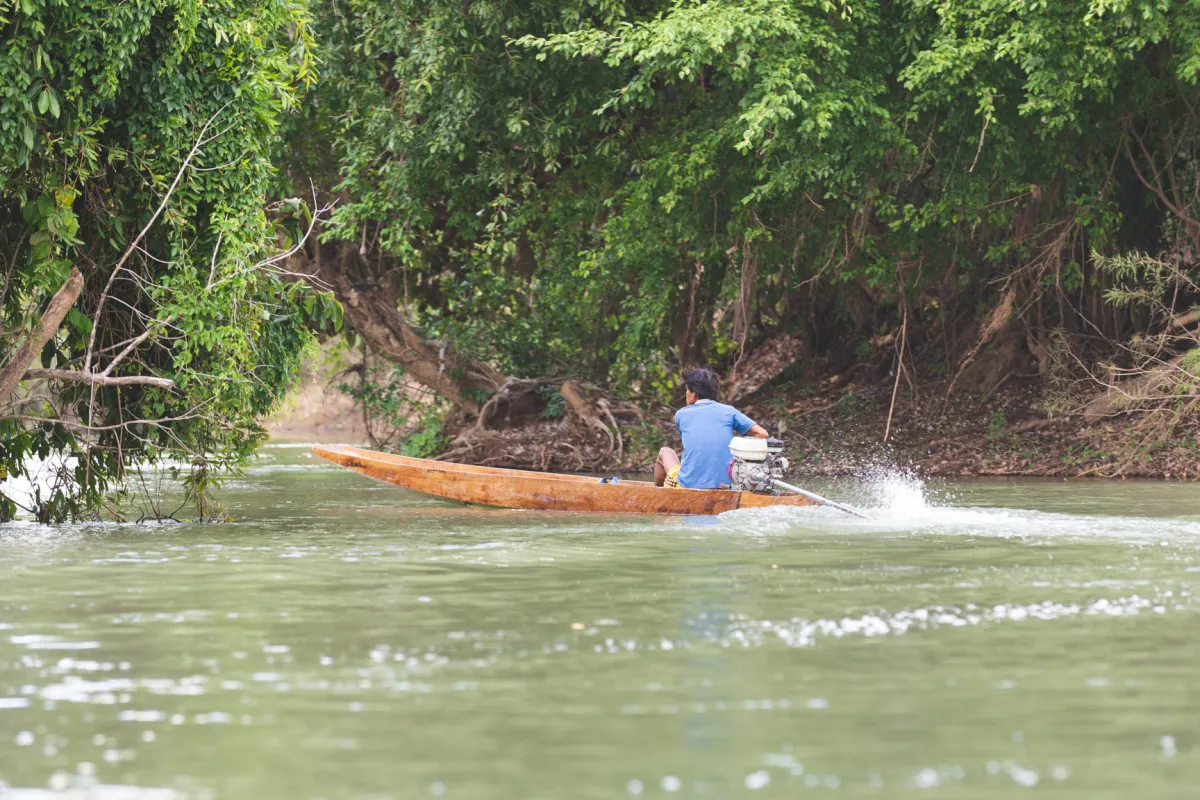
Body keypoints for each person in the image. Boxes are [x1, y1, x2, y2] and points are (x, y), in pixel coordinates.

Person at [654, 367, 770, 489]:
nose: (686, 394)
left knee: (665, 451)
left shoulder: (681, 414)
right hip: (726, 486)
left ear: (694, 395)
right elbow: (762, 434)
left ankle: (659, 495)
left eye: (687, 390)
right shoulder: (729, 411)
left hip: (687, 486)